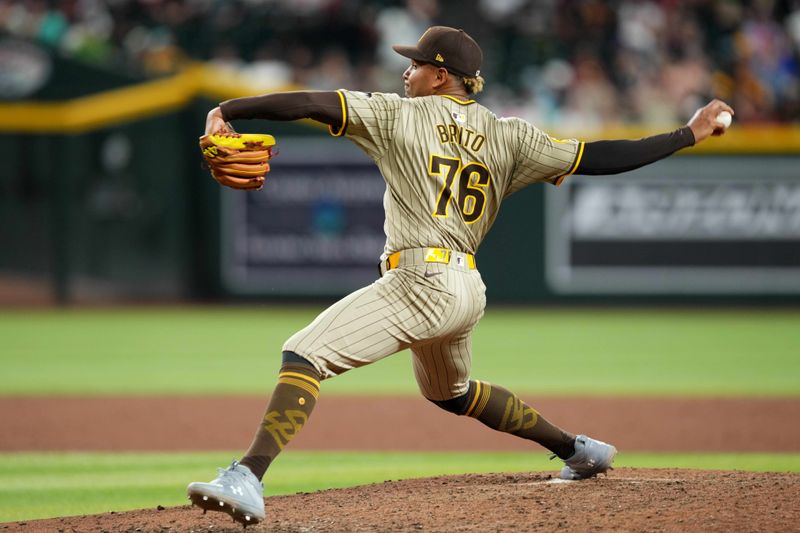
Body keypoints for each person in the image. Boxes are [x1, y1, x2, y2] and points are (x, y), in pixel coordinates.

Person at [187, 26, 734, 525]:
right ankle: (579, 450)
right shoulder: (510, 135)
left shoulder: (396, 114)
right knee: (451, 393)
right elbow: (602, 156)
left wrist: (230, 107)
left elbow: (308, 102)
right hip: (467, 288)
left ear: (440, 75)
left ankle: (248, 477)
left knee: (304, 353)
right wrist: (687, 134)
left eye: (416, 64)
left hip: (421, 281)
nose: (407, 72)